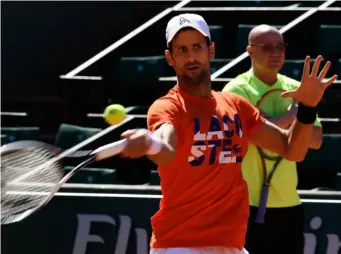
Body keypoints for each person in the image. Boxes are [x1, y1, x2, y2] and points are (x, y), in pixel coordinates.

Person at [119, 14, 337, 254]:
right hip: (179, 245)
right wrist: (150, 143)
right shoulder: (167, 107)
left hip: (231, 245)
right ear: (170, 58)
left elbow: (292, 150)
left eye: (197, 47)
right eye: (182, 49)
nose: (191, 56)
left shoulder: (237, 106)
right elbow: (166, 147)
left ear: (210, 51)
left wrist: (307, 109)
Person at [222, 24, 324, 254]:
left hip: (288, 204)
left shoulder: (296, 87)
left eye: (280, 46)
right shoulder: (235, 91)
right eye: (267, 47)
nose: (275, 53)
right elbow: (247, 134)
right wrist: (292, 117)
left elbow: (316, 139)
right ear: (250, 51)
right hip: (243, 205)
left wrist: (272, 120)